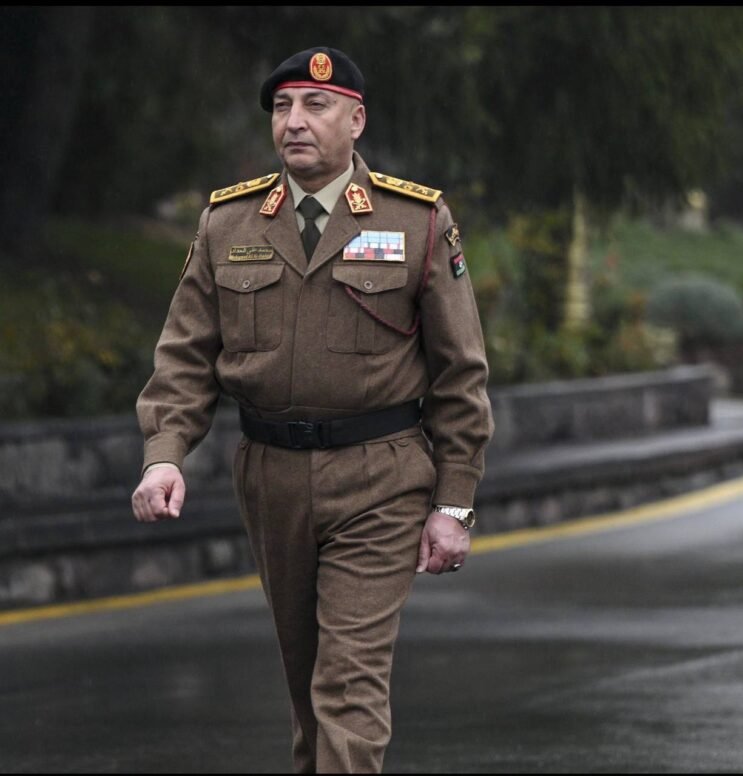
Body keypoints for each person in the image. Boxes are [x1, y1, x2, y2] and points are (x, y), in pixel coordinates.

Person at [131, 46, 493, 774]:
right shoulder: (229, 222)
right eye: (282, 107)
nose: (294, 121)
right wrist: (164, 455)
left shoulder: (416, 220)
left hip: (381, 477)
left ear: (356, 121)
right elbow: (185, 357)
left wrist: (453, 504)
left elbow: (460, 374)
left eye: (316, 105)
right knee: (308, 693)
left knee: (347, 686)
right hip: (270, 477)